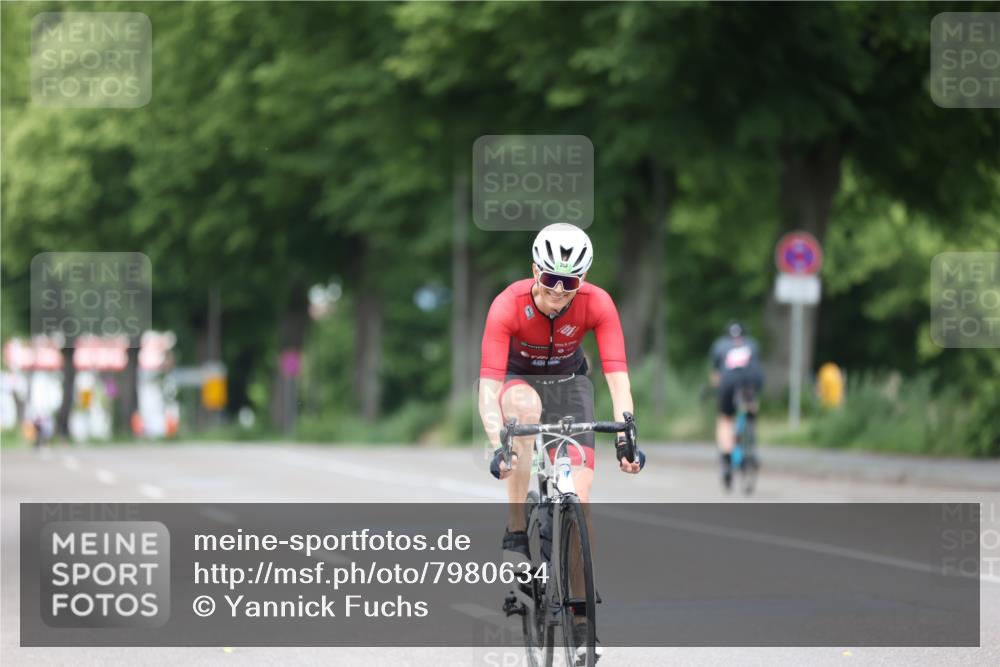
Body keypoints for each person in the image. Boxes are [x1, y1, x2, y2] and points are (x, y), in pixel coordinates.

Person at [479, 222, 644, 662]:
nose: (557, 290)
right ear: (535, 269)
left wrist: (628, 431)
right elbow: (487, 386)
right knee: (524, 413)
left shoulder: (598, 304)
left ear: (582, 279)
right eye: (549, 278)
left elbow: (617, 374)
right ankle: (517, 530)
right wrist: (500, 443)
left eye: (568, 282)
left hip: (571, 385)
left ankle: (580, 614)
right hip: (519, 383)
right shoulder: (507, 305)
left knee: (581, 496)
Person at [709, 321, 764, 490]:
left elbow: (716, 377)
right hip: (751, 383)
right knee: (751, 408)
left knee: (725, 419)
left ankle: (726, 458)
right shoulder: (752, 344)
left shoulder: (720, 346)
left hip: (728, 384)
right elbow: (758, 369)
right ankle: (750, 439)